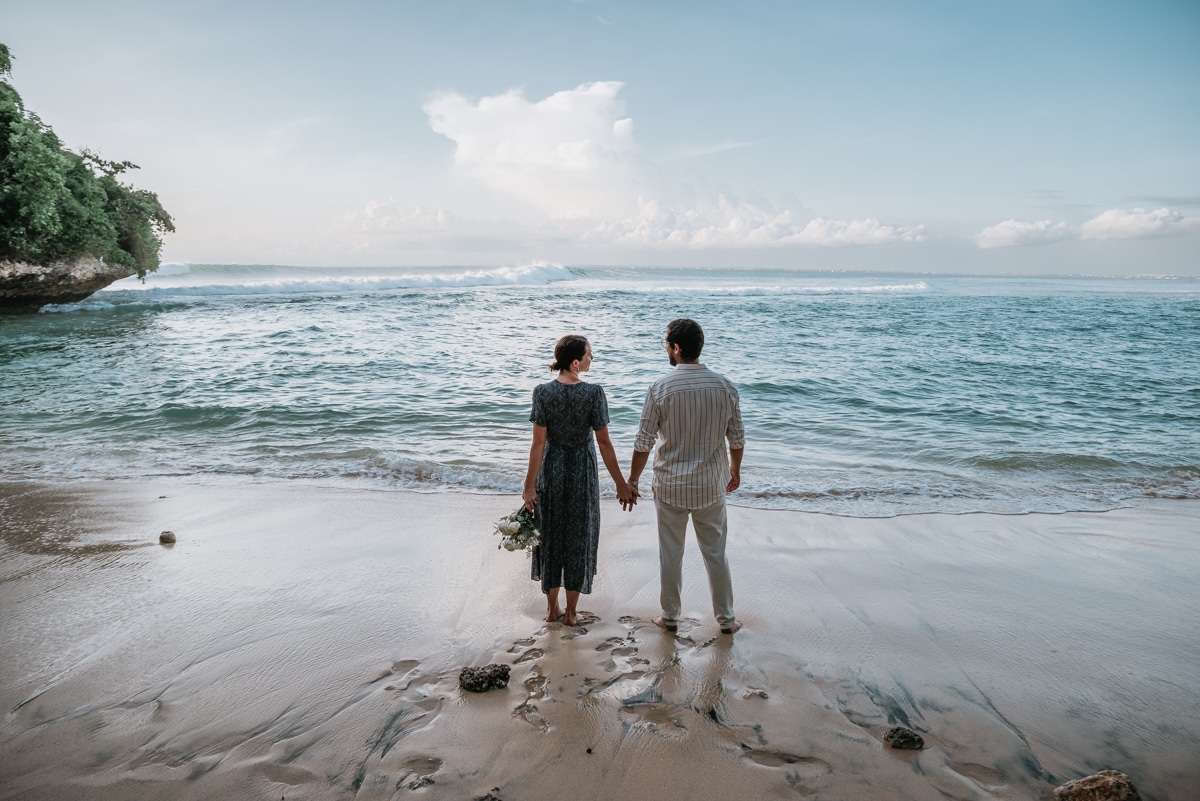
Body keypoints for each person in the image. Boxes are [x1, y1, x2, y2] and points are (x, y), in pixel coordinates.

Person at [627, 318, 746, 635]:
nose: (666, 348)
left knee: (671, 553)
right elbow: (736, 438)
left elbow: (643, 442)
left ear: (676, 348)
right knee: (716, 554)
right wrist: (734, 470)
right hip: (710, 485)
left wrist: (633, 480)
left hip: (670, 485)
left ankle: (669, 617)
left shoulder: (660, 388)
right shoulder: (725, 386)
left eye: (666, 344)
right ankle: (726, 620)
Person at [523, 335, 638, 626]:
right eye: (589, 355)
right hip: (581, 473)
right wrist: (621, 483)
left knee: (551, 536)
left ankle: (552, 610)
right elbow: (604, 442)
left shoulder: (542, 392)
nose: (592, 359)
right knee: (578, 537)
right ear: (575, 362)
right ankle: (571, 613)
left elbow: (538, 444)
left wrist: (529, 486)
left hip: (551, 471)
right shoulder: (593, 393)